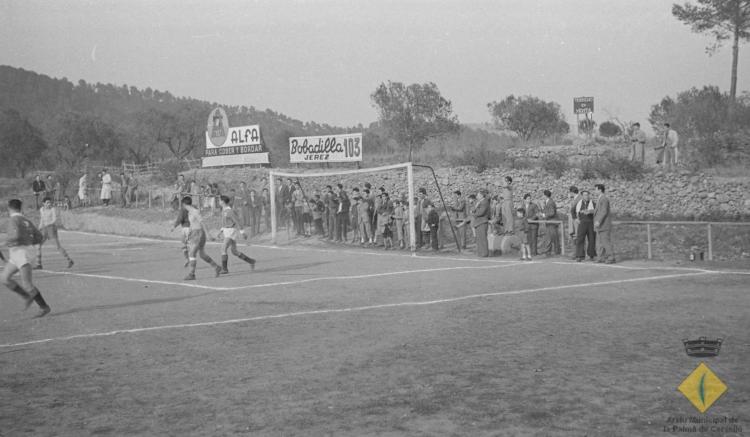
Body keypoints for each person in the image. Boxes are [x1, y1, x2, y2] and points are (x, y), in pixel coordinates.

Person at [1, 199, 51, 317]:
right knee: (4, 278)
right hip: (19, 254)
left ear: (9, 208)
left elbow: (15, 235)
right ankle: (26, 296)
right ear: (20, 208)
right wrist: (29, 242)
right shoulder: (26, 220)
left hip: (21, 254)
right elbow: (39, 237)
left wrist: (4, 244)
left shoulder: (14, 220)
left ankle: (44, 307)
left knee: (27, 284)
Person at [180, 196, 221, 280]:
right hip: (195, 233)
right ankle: (216, 267)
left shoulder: (195, 212)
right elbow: (193, 224)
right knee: (202, 255)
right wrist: (189, 234)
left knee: (192, 254)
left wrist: (208, 234)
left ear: (184, 204)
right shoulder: (190, 212)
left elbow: (202, 222)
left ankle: (192, 274)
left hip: (198, 234)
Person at [218, 195, 256, 274]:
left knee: (223, 248)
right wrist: (221, 231)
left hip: (231, 231)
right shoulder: (224, 210)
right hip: (226, 230)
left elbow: (237, 221)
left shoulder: (230, 211)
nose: (219, 202)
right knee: (234, 251)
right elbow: (224, 222)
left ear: (223, 202)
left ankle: (224, 269)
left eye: (219, 200)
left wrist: (242, 232)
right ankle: (251, 261)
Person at [36, 197, 74, 269]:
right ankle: (39, 264)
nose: (49, 204)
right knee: (38, 245)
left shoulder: (52, 209)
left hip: (51, 229)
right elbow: (42, 219)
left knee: (57, 246)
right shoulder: (41, 209)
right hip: (44, 229)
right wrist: (39, 228)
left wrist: (47, 224)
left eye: (50, 202)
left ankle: (69, 260)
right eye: (47, 203)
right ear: (43, 203)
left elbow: (54, 219)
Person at [594, 184, 615, 264]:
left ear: (600, 190)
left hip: (603, 224)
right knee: (600, 242)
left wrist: (598, 221)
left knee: (605, 242)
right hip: (600, 225)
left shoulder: (604, 199)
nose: (595, 191)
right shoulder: (600, 199)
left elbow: (604, 211)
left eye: (595, 189)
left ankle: (611, 257)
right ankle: (600, 257)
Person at [574, 190, 597, 262]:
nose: (586, 196)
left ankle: (591, 255)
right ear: (582, 196)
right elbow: (572, 211)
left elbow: (597, 211)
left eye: (587, 195)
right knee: (580, 239)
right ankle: (579, 256)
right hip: (582, 223)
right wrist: (575, 219)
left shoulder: (592, 203)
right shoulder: (578, 203)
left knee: (592, 239)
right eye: (585, 195)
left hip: (591, 223)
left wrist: (590, 211)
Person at [539, 189, 559, 256]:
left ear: (545, 195)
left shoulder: (550, 202)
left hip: (552, 222)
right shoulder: (547, 202)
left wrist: (544, 215)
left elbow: (552, 213)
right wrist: (542, 209)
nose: (542, 196)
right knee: (550, 237)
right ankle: (549, 251)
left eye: (543, 195)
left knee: (552, 237)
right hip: (549, 222)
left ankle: (552, 251)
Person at [471, 189, 490, 257]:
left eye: (478, 195)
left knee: (483, 238)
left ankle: (484, 253)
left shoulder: (485, 202)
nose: (477, 196)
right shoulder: (478, 202)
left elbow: (481, 212)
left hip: (482, 221)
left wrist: (473, 214)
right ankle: (480, 252)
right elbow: (473, 210)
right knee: (479, 238)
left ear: (482, 195)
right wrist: (475, 207)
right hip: (478, 222)